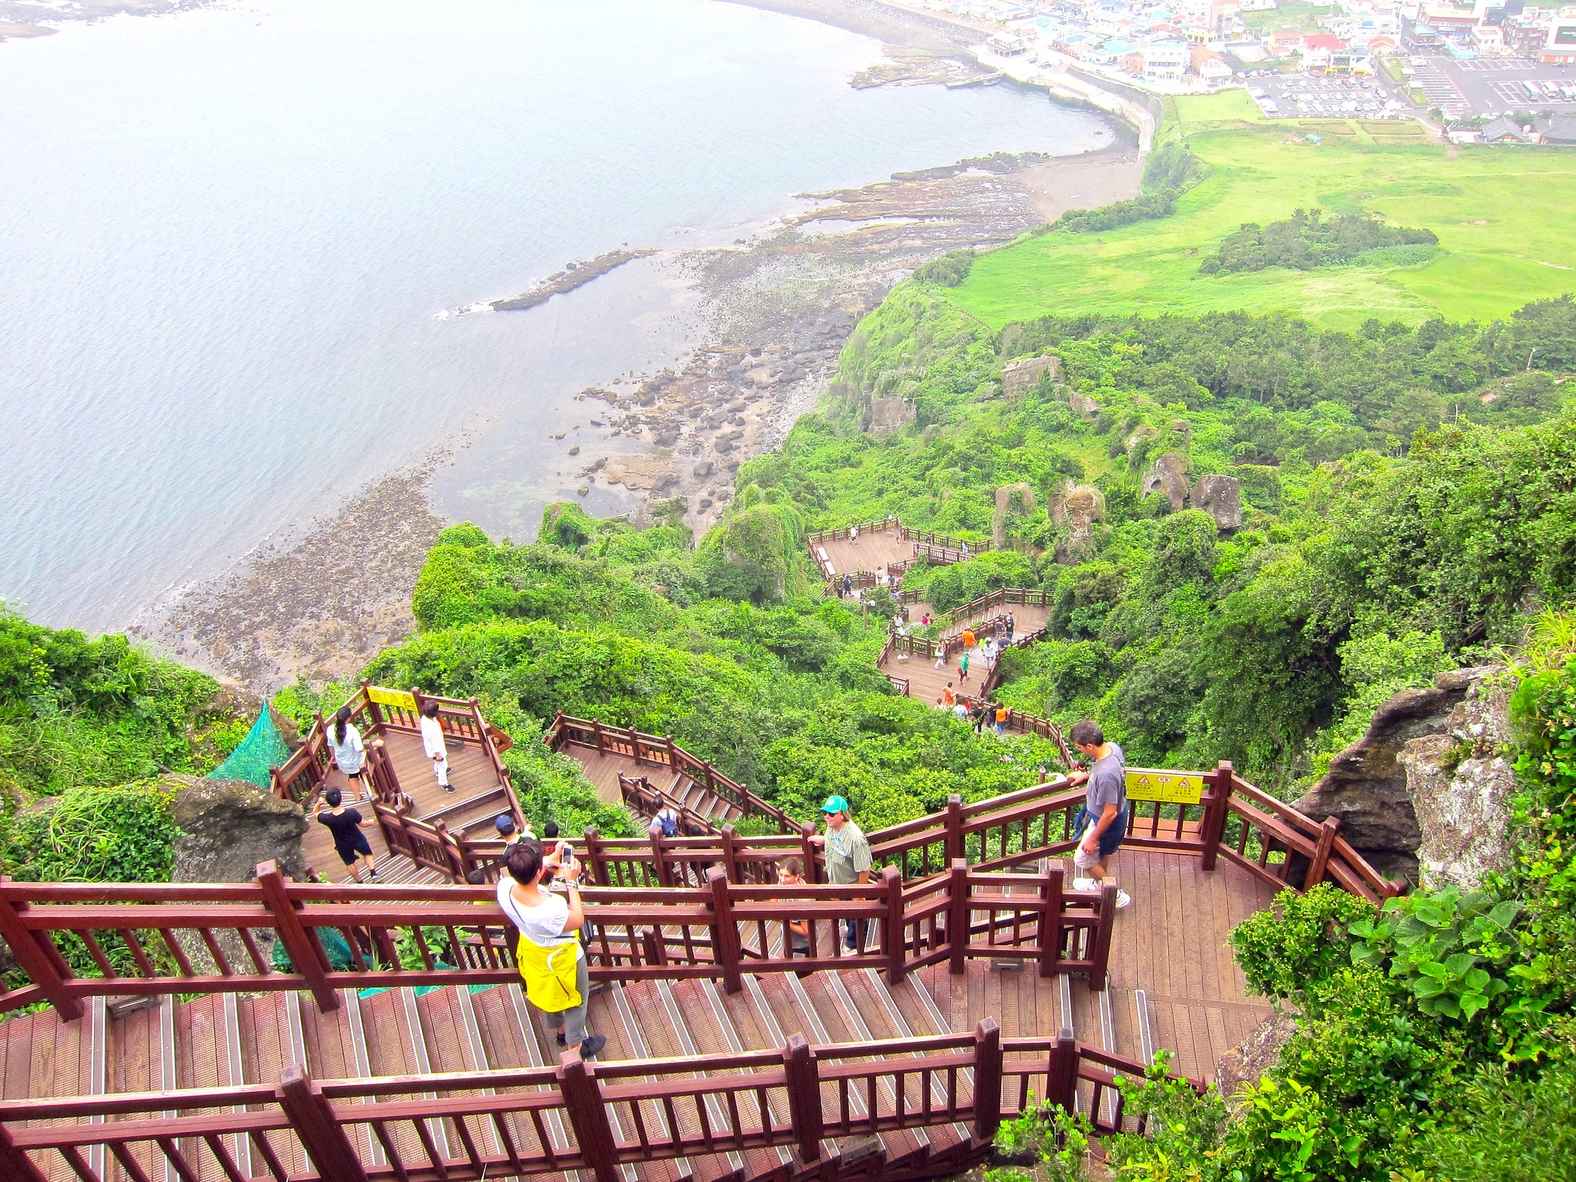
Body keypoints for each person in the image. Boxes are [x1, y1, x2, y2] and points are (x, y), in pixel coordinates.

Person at [496, 839, 606, 1059]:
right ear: (538, 872)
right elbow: (576, 919)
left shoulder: (505, 889)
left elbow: (515, 876)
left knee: (548, 993)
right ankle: (575, 1047)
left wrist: (549, 860)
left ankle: (560, 1031)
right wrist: (572, 882)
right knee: (576, 999)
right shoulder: (550, 907)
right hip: (562, 958)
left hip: (533, 952)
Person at [1065, 721, 1131, 910]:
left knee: (1082, 859)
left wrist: (1092, 838)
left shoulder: (1106, 775)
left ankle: (1115, 894)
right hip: (1103, 817)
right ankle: (1099, 884)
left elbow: (1110, 813)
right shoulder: (1111, 748)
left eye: (1079, 747)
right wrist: (1086, 776)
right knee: (1103, 852)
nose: (1079, 751)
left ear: (1090, 746)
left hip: (1107, 821)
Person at [815, 795, 873, 950]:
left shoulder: (855, 838)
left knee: (855, 912)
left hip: (851, 883)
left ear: (842, 814)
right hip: (837, 880)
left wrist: (859, 893)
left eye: (831, 813)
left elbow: (864, 868)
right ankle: (852, 931)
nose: (827, 816)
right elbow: (833, 842)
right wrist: (822, 840)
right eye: (825, 812)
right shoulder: (831, 827)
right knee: (847, 912)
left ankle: (853, 943)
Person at [316, 787, 377, 882]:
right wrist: (370, 822)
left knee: (349, 863)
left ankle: (359, 882)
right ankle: (373, 873)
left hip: (342, 843)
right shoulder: (351, 812)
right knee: (367, 853)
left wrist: (319, 804)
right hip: (357, 838)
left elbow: (316, 813)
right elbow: (363, 824)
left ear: (329, 802)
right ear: (341, 799)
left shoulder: (327, 818)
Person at [326, 706, 368, 799]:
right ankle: (371, 791)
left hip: (342, 760)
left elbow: (331, 746)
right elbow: (359, 748)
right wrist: (370, 747)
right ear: (349, 718)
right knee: (364, 772)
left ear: (336, 717)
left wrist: (333, 758)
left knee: (352, 775)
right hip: (356, 760)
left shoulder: (330, 729)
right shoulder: (352, 731)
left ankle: (357, 796)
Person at [777, 857, 812, 955]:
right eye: (780, 875)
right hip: (787, 937)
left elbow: (806, 931)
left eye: (787, 876)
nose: (782, 880)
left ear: (797, 876)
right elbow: (775, 895)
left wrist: (782, 920)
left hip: (802, 944)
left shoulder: (803, 900)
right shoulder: (783, 883)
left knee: (803, 968)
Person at [419, 699, 453, 792]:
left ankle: (437, 771)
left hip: (433, 747)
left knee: (438, 763)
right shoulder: (430, 727)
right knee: (442, 764)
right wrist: (438, 754)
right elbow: (434, 742)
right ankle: (444, 783)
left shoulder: (425, 718)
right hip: (436, 749)